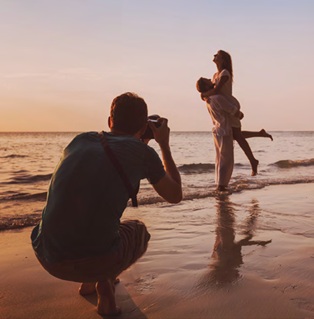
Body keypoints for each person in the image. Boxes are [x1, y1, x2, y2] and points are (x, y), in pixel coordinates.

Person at [31, 92, 182, 316]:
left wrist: (140, 139)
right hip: (96, 261)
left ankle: (89, 283)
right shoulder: (143, 154)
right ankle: (105, 288)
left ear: (110, 121)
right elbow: (175, 194)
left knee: (92, 214)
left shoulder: (80, 141)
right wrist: (164, 145)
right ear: (143, 127)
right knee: (139, 231)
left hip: (47, 255)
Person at [201, 50, 273, 176]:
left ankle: (253, 161)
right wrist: (204, 95)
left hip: (230, 106)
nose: (214, 56)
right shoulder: (214, 75)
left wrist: (203, 95)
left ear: (223, 60)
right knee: (234, 135)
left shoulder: (225, 73)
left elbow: (216, 90)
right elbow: (211, 89)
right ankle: (259, 136)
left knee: (237, 136)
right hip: (223, 108)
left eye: (217, 55)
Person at [196, 77, 240, 191]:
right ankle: (222, 185)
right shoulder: (217, 98)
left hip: (216, 130)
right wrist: (239, 114)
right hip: (224, 130)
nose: (211, 79)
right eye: (207, 80)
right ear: (206, 86)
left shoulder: (209, 99)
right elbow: (232, 110)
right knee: (226, 159)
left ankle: (219, 183)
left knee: (219, 159)